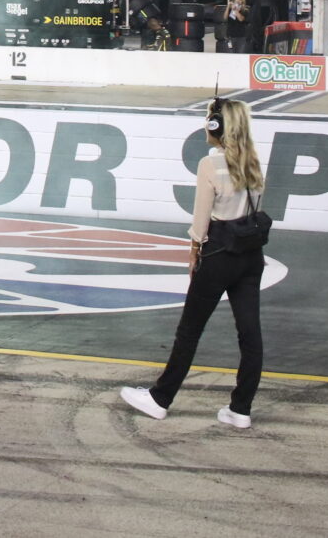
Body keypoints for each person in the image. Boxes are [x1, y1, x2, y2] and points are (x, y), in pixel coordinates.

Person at [121, 96, 266, 429]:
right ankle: (241, 409)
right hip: (250, 256)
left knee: (189, 331)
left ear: (216, 127)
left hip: (217, 255)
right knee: (250, 335)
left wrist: (194, 252)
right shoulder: (254, 162)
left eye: (209, 120)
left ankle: (160, 399)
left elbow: (201, 221)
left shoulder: (209, 165)